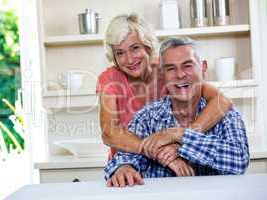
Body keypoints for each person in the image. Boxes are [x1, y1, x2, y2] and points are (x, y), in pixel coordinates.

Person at [104, 37, 250, 187]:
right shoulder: (147, 117)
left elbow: (239, 160)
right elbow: (124, 157)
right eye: (171, 69)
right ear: (162, 74)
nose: (180, 75)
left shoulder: (226, 115)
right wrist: (124, 168)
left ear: (203, 67)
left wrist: (179, 135)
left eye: (187, 66)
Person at [96, 13, 232, 171]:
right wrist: (159, 152)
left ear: (148, 46)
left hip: (176, 161)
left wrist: (185, 136)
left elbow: (222, 101)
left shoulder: (169, 70)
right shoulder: (110, 79)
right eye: (120, 53)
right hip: (128, 166)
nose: (129, 59)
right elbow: (110, 134)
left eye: (135, 48)